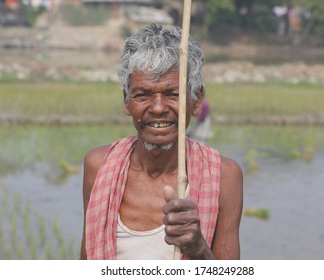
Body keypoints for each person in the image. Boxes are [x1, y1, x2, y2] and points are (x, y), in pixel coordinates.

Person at [80, 23, 243, 260]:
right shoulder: (99, 166)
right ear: (126, 101)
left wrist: (199, 249)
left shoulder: (225, 176)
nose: (157, 108)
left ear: (197, 101)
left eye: (173, 94)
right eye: (143, 95)